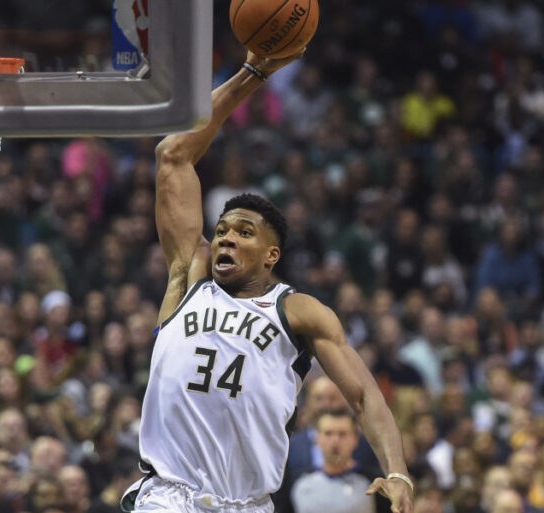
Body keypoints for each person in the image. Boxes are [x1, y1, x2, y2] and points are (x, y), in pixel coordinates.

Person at [123, 51, 413, 513]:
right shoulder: (189, 276)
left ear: (271, 255)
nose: (226, 238)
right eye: (222, 230)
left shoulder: (298, 311)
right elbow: (173, 155)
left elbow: (364, 396)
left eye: (244, 233)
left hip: (248, 503)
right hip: (169, 495)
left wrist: (396, 471)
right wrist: (254, 73)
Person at [291, 409, 376, 513]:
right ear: (317, 438)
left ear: (355, 439)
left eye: (342, 434)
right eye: (328, 433)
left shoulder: (373, 483)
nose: (335, 440)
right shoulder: (298, 483)